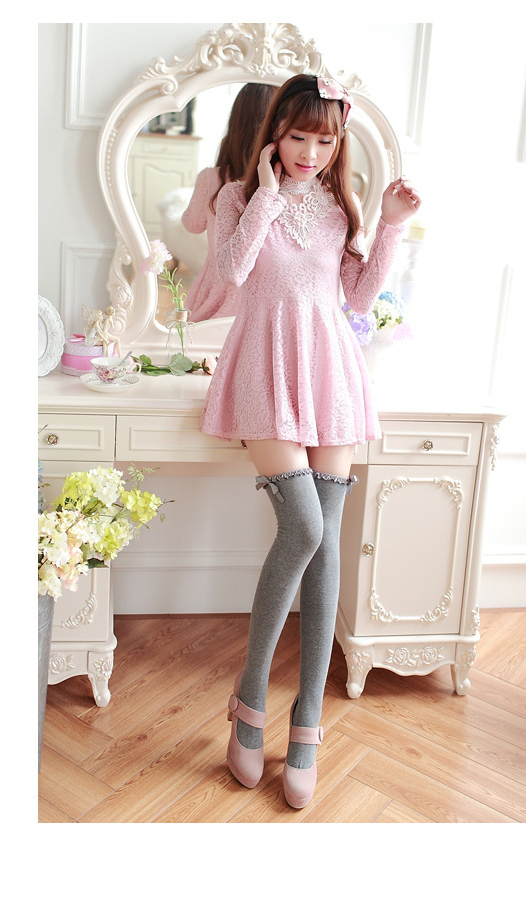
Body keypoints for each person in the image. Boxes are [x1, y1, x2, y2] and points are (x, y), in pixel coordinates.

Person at [199, 73, 421, 808]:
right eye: (298, 136)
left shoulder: (336, 207)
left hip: (331, 371)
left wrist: (388, 224)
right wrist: (266, 192)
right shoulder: (238, 197)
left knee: (325, 542)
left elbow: (357, 298)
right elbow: (231, 272)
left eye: (325, 141)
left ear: (337, 143)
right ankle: (249, 696)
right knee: (304, 526)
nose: (310, 153)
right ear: (274, 133)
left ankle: (307, 721)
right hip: (264, 369)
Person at [180, 83, 276, 322]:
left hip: (215, 295)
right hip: (263, 298)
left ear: (235, 123)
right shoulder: (279, 187)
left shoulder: (211, 179)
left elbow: (192, 224)